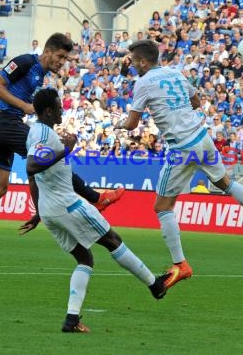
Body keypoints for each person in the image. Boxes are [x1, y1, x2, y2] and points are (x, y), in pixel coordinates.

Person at [114, 39, 243, 289]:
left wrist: (118, 124)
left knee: (162, 207)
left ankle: (180, 264)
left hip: (181, 147)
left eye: (135, 62)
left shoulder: (143, 82)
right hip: (202, 138)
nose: (134, 66)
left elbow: (132, 124)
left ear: (144, 62)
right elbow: (195, 103)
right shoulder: (175, 73)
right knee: (226, 183)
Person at [0, 33, 124, 267]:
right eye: (60, 57)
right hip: (5, 123)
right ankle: (96, 198)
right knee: (51, 153)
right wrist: (24, 106)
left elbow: (2, 88)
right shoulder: (27, 62)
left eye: (65, 58)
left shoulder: (39, 74)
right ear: (48, 52)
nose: (62, 62)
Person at [23, 89, 169, 333]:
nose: (62, 110)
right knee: (113, 240)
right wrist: (65, 150)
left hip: (50, 210)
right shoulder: (44, 134)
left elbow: (34, 177)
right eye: (58, 107)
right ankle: (155, 284)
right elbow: (31, 166)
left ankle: (71, 320)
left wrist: (39, 212)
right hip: (67, 205)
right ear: (48, 111)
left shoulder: (35, 133)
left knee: (85, 258)